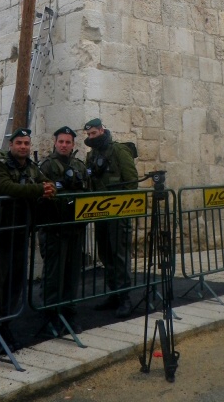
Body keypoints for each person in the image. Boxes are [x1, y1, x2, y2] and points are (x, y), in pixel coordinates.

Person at [0, 127, 56, 352]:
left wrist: (47, 189)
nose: (23, 146)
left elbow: (50, 186)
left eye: (26, 143)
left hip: (20, 233)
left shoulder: (32, 168)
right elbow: (5, 187)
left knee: (14, 284)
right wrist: (38, 189)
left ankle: (5, 325)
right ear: (11, 145)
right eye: (19, 143)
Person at [83, 117, 138, 318]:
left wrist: (122, 206)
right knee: (106, 254)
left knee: (119, 255)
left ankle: (124, 297)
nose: (91, 137)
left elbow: (132, 181)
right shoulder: (91, 156)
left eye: (93, 134)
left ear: (102, 130)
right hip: (100, 212)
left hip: (118, 213)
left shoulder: (119, 150)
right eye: (88, 135)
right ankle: (114, 293)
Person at [39, 126, 89, 335]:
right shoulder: (47, 166)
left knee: (72, 272)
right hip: (54, 228)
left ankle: (69, 310)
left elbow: (87, 191)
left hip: (75, 228)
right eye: (61, 141)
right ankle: (51, 314)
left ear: (73, 144)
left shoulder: (79, 165)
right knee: (53, 274)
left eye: (68, 142)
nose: (64, 145)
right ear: (55, 142)